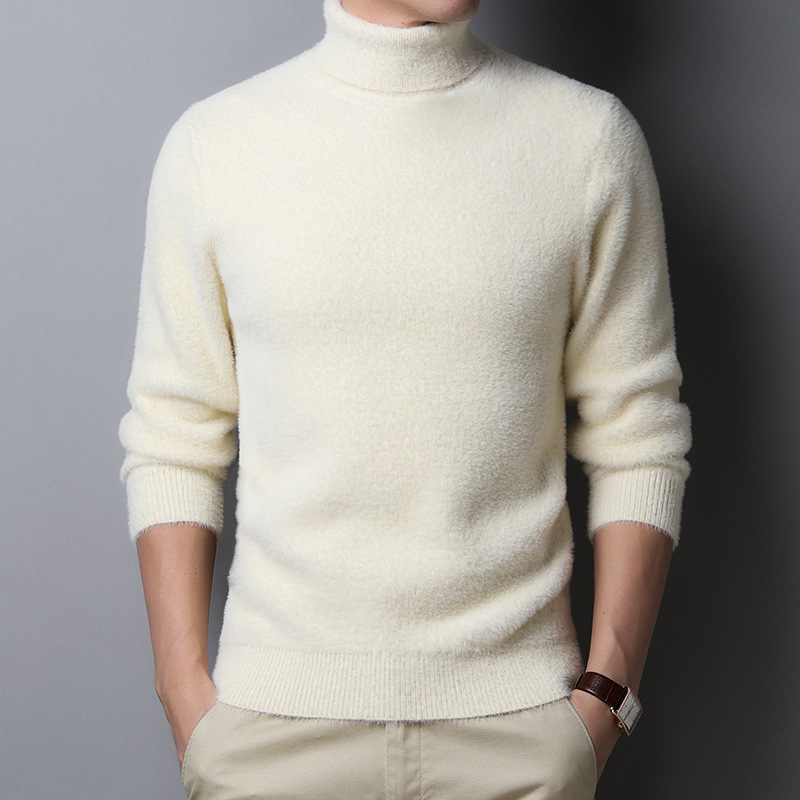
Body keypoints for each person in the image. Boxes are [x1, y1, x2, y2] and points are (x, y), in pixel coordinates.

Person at [119, 1, 691, 797]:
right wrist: (182, 690)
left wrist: (605, 697)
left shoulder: (586, 139)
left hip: (518, 734)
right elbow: (175, 433)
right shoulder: (217, 147)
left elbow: (639, 434)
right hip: (273, 736)